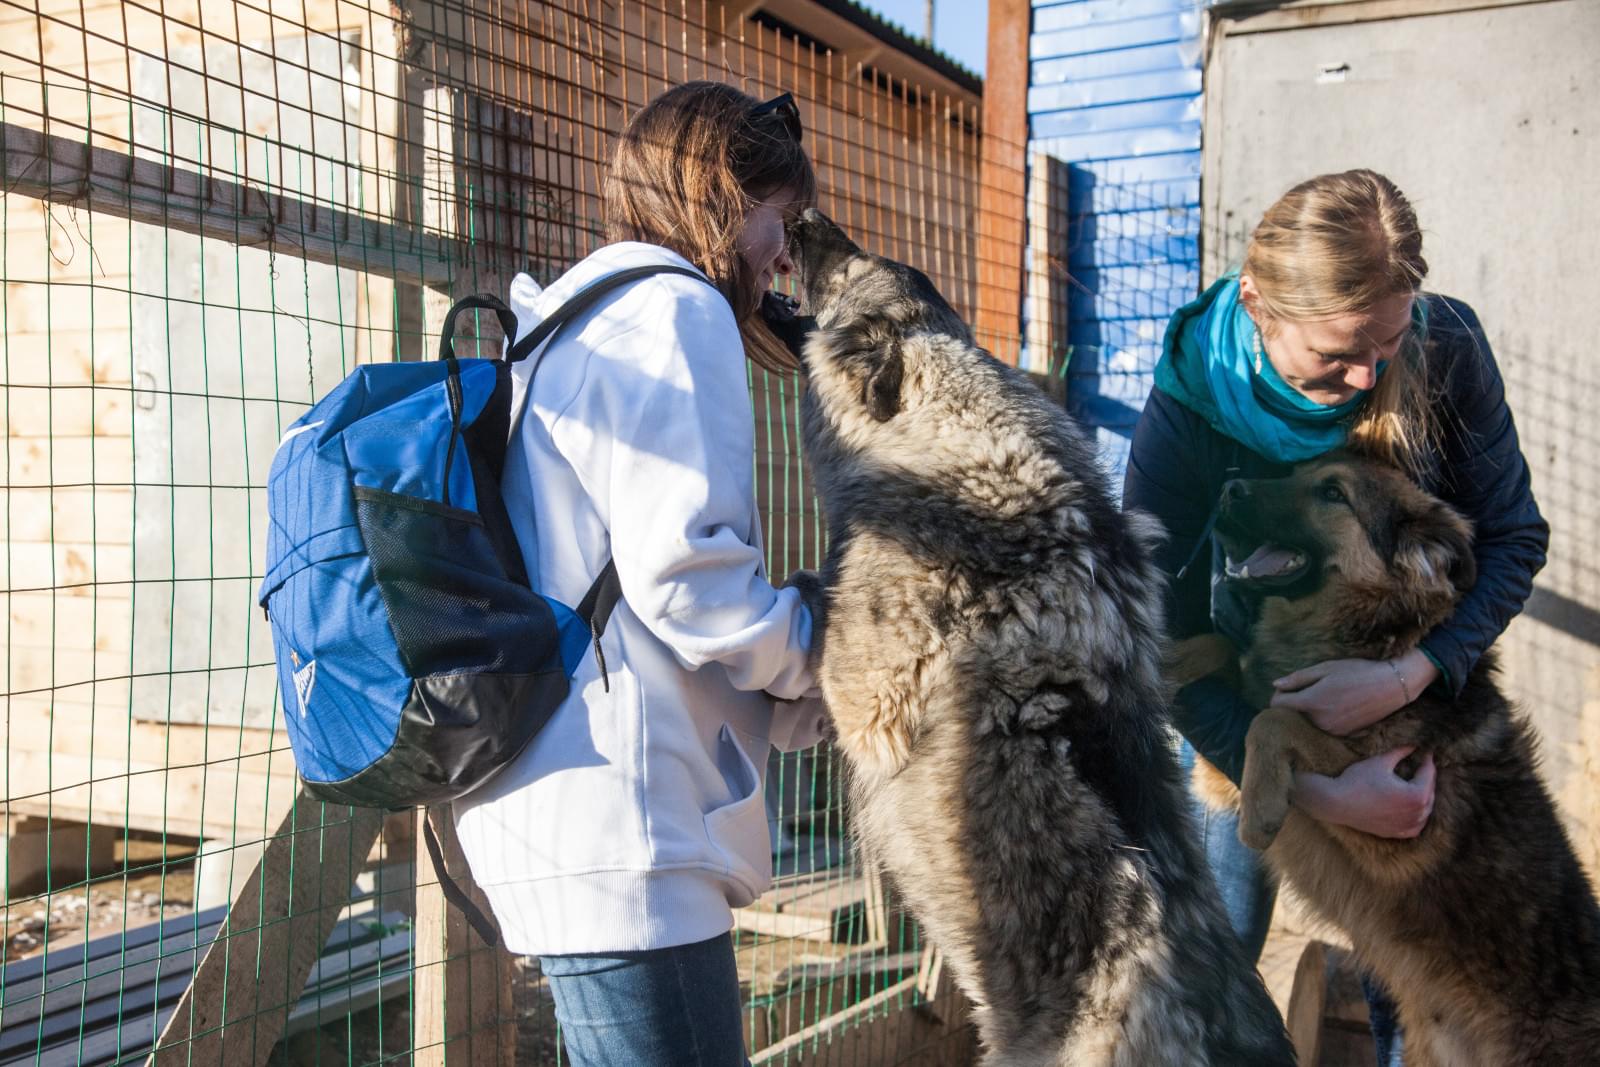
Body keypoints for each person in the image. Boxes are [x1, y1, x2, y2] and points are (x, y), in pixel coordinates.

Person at [1123, 169, 1548, 1064]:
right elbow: (1153, 634)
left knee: (1411, 980)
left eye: (1387, 345)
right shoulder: (1188, 412)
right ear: (1259, 307)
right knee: (1213, 971)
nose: (1366, 377)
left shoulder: (1449, 350)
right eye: (1339, 353)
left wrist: (1407, 673)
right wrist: (1313, 790)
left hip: (1403, 715)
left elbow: (1511, 538)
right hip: (1233, 726)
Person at [452, 82, 827, 1067]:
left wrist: (802, 692)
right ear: (719, 194)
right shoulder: (674, 309)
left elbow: (638, 602)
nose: (782, 254)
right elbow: (688, 580)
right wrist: (821, 639)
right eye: (777, 219)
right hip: (625, 832)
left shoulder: (577, 318)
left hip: (582, 815)